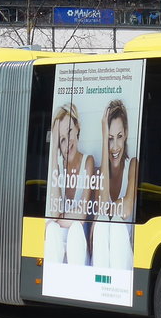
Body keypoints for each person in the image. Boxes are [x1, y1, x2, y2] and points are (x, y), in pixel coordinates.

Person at [44, 103, 95, 265]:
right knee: (51, 229)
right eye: (62, 140)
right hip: (60, 236)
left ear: (77, 128)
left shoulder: (88, 161)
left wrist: (56, 220)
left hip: (78, 236)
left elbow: (82, 215)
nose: (68, 143)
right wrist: (53, 154)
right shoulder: (57, 166)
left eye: (69, 132)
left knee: (72, 229)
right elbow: (54, 210)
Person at [91, 100, 138, 269]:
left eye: (119, 136)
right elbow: (102, 209)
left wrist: (110, 208)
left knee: (116, 223)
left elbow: (126, 210)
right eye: (110, 139)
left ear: (126, 133)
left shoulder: (133, 165)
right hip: (102, 255)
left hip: (123, 257)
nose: (115, 146)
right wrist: (104, 141)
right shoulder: (100, 172)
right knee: (103, 222)